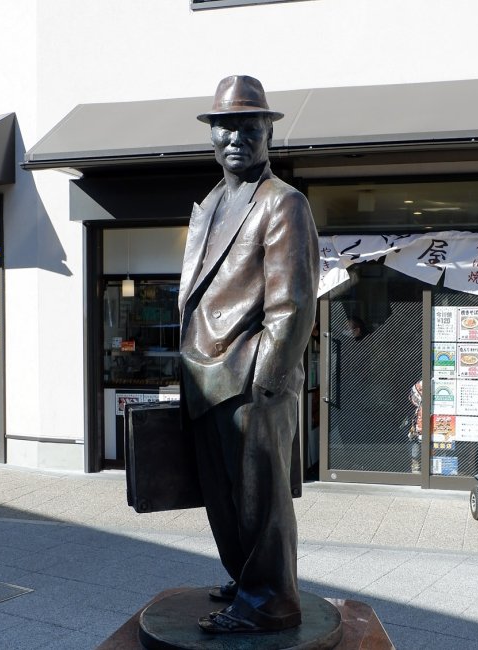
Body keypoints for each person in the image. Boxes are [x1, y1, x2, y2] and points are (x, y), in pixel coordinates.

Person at [178, 75, 319, 634]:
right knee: (223, 496)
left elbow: (294, 302)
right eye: (225, 126)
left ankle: (271, 601)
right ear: (211, 135)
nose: (236, 137)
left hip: (252, 379)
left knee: (262, 502)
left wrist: (266, 382)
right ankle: (246, 579)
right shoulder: (212, 202)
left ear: (268, 134)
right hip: (205, 374)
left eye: (248, 126)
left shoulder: (283, 202)